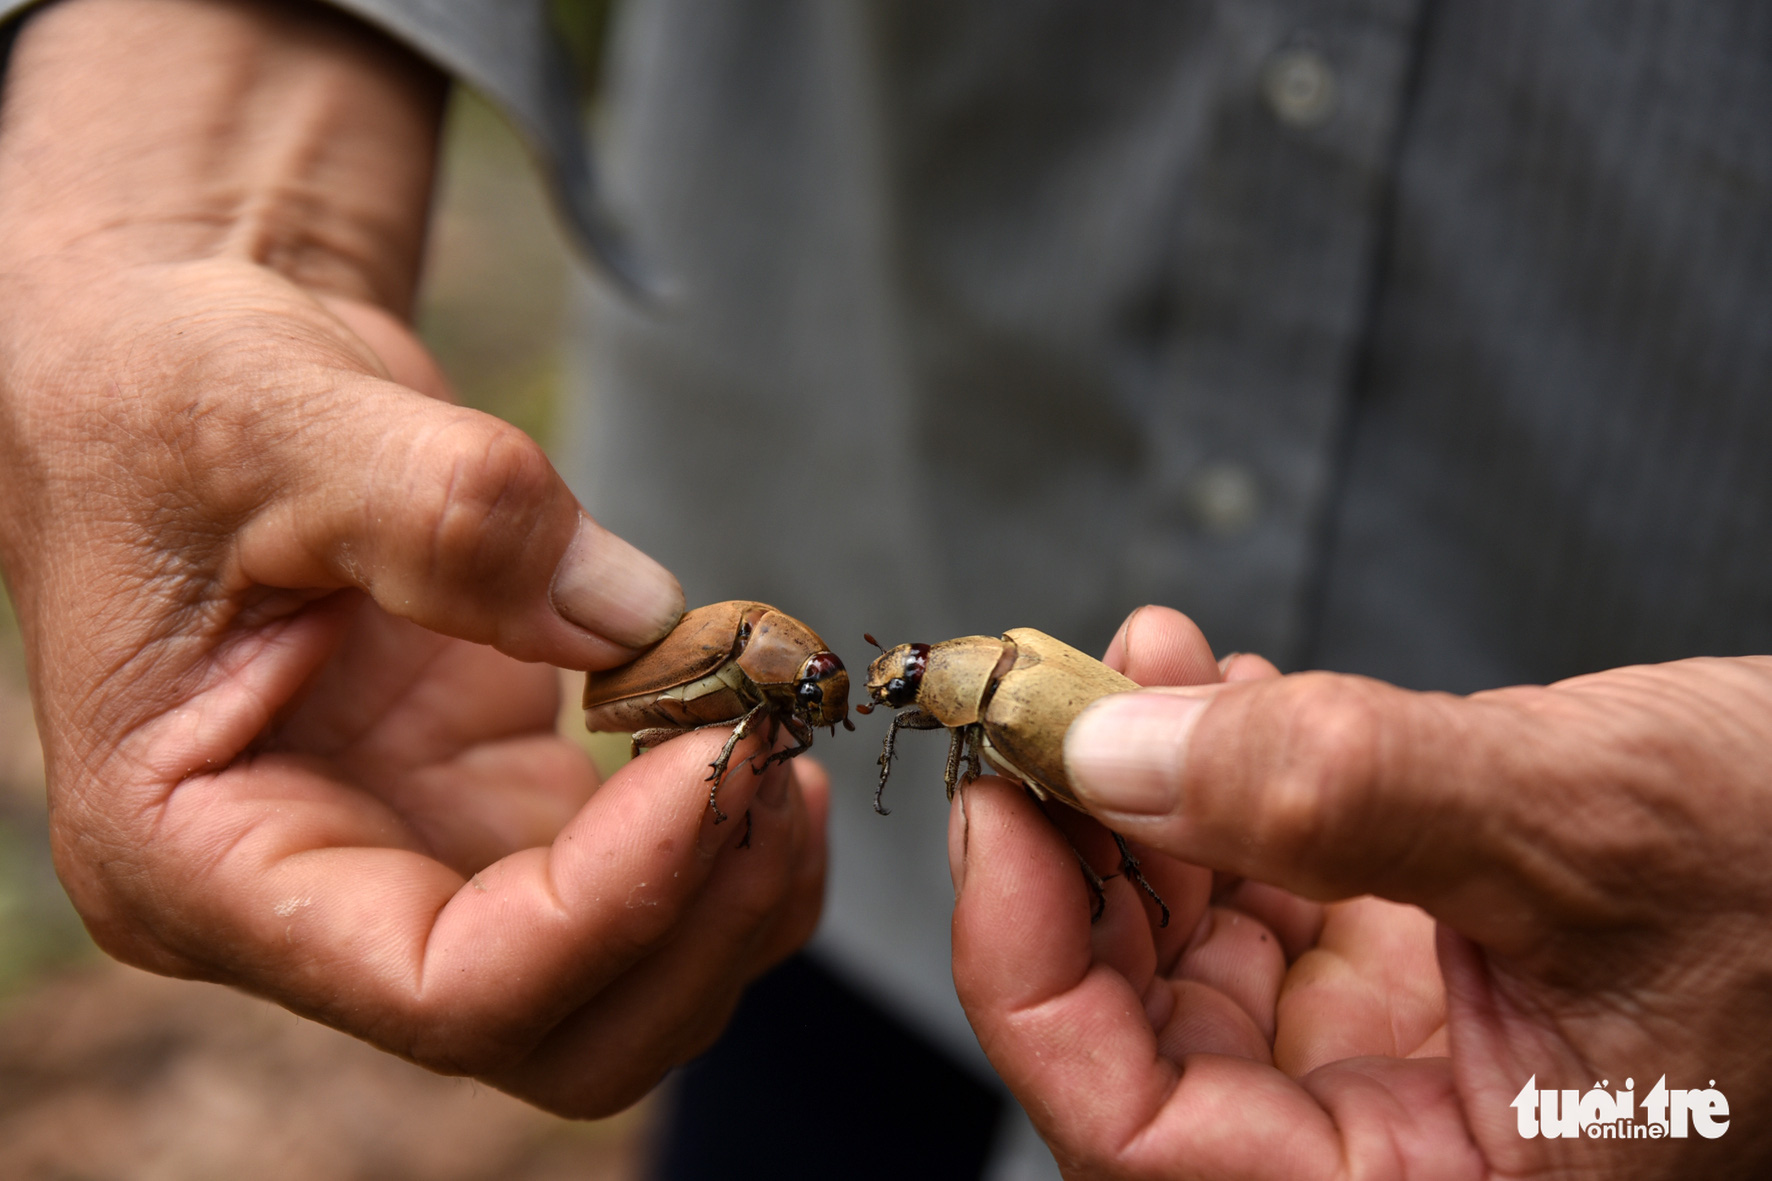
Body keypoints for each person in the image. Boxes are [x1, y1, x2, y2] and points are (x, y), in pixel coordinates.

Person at [0, 1, 1767, 1178]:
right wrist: (190, 236)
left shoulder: (952, 692)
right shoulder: (828, 698)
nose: (857, 699)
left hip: (1628, 927)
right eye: (868, 694)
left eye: (879, 695)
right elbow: (777, 701)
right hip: (832, 933)